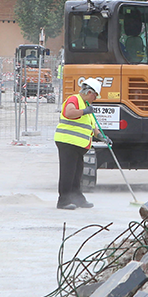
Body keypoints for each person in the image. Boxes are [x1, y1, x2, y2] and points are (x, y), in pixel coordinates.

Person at [55, 77, 106, 210]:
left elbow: (91, 126)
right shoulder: (75, 100)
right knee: (68, 172)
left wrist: (102, 136)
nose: (95, 99)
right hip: (67, 142)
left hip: (78, 145)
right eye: (95, 96)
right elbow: (69, 112)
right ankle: (63, 200)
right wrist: (84, 111)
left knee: (77, 173)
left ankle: (77, 198)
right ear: (90, 92)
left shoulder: (86, 105)